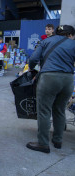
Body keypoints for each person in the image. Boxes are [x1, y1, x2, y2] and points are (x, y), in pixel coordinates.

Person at [26, 25, 75, 153]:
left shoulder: (46, 41)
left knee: (44, 111)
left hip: (49, 78)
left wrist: (31, 68)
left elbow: (33, 59)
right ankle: (58, 141)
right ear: (70, 34)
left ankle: (43, 143)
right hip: (68, 79)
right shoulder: (73, 43)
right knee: (60, 110)